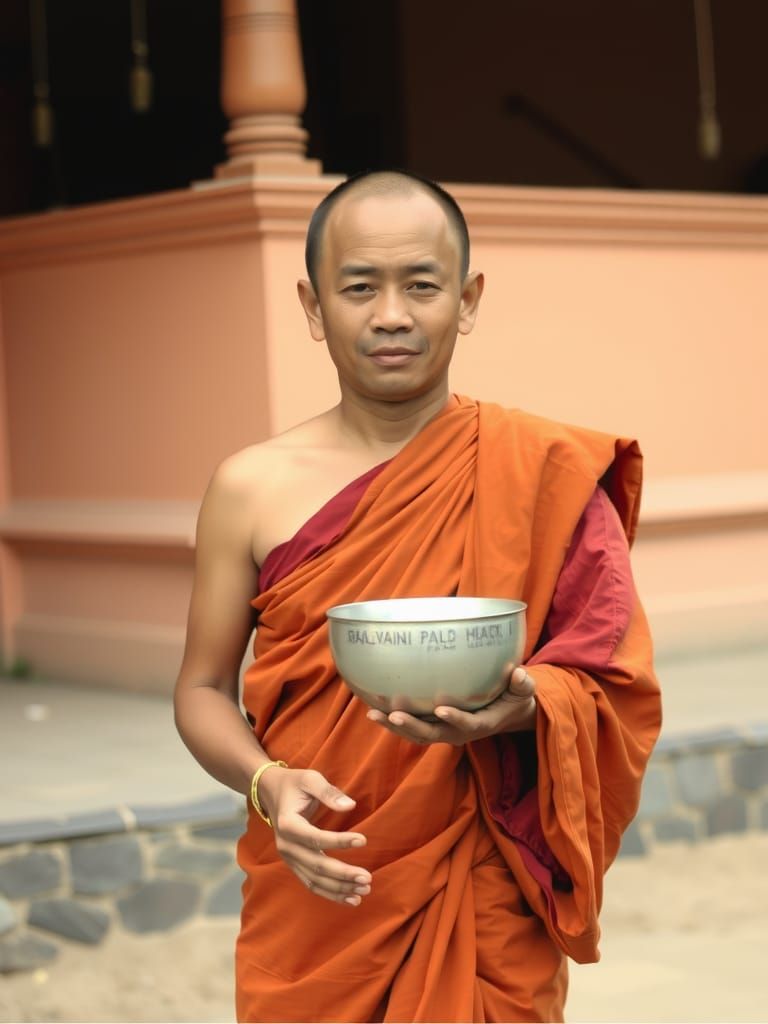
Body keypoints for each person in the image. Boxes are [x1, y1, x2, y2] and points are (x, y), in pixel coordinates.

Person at [173, 169, 661, 1023]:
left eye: (422, 285)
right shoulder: (249, 487)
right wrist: (267, 786)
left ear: (467, 300)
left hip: (481, 888)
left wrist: (517, 710)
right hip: (320, 886)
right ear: (313, 305)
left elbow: (614, 685)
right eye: (359, 287)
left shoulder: (541, 469)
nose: (391, 314)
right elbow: (201, 690)